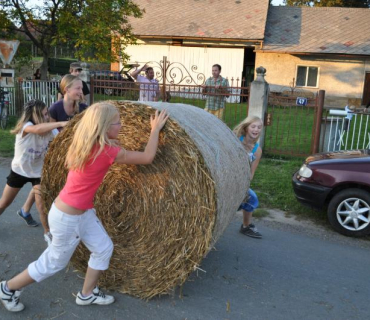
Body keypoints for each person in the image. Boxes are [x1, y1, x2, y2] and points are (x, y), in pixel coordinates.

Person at [0, 102, 169, 312]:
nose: (122, 125)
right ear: (105, 127)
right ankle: (8, 288)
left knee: (103, 248)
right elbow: (147, 157)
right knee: (53, 262)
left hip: (79, 212)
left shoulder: (82, 142)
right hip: (67, 218)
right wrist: (154, 131)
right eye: (118, 122)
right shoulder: (107, 151)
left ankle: (86, 294)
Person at [0, 100, 67, 245]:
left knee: (42, 206)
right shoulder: (27, 127)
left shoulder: (50, 130)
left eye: (47, 113)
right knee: (4, 203)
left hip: (38, 173)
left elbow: (62, 142)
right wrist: (60, 123)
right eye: (44, 114)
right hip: (19, 171)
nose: (47, 116)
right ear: (35, 115)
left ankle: (47, 233)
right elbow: (37, 130)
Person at [234, 115, 263, 239]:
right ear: (246, 128)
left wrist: (244, 186)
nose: (256, 130)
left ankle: (246, 226)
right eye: (253, 126)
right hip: (227, 176)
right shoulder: (235, 140)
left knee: (252, 199)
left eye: (259, 127)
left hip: (241, 181)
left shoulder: (257, 150)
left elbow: (251, 173)